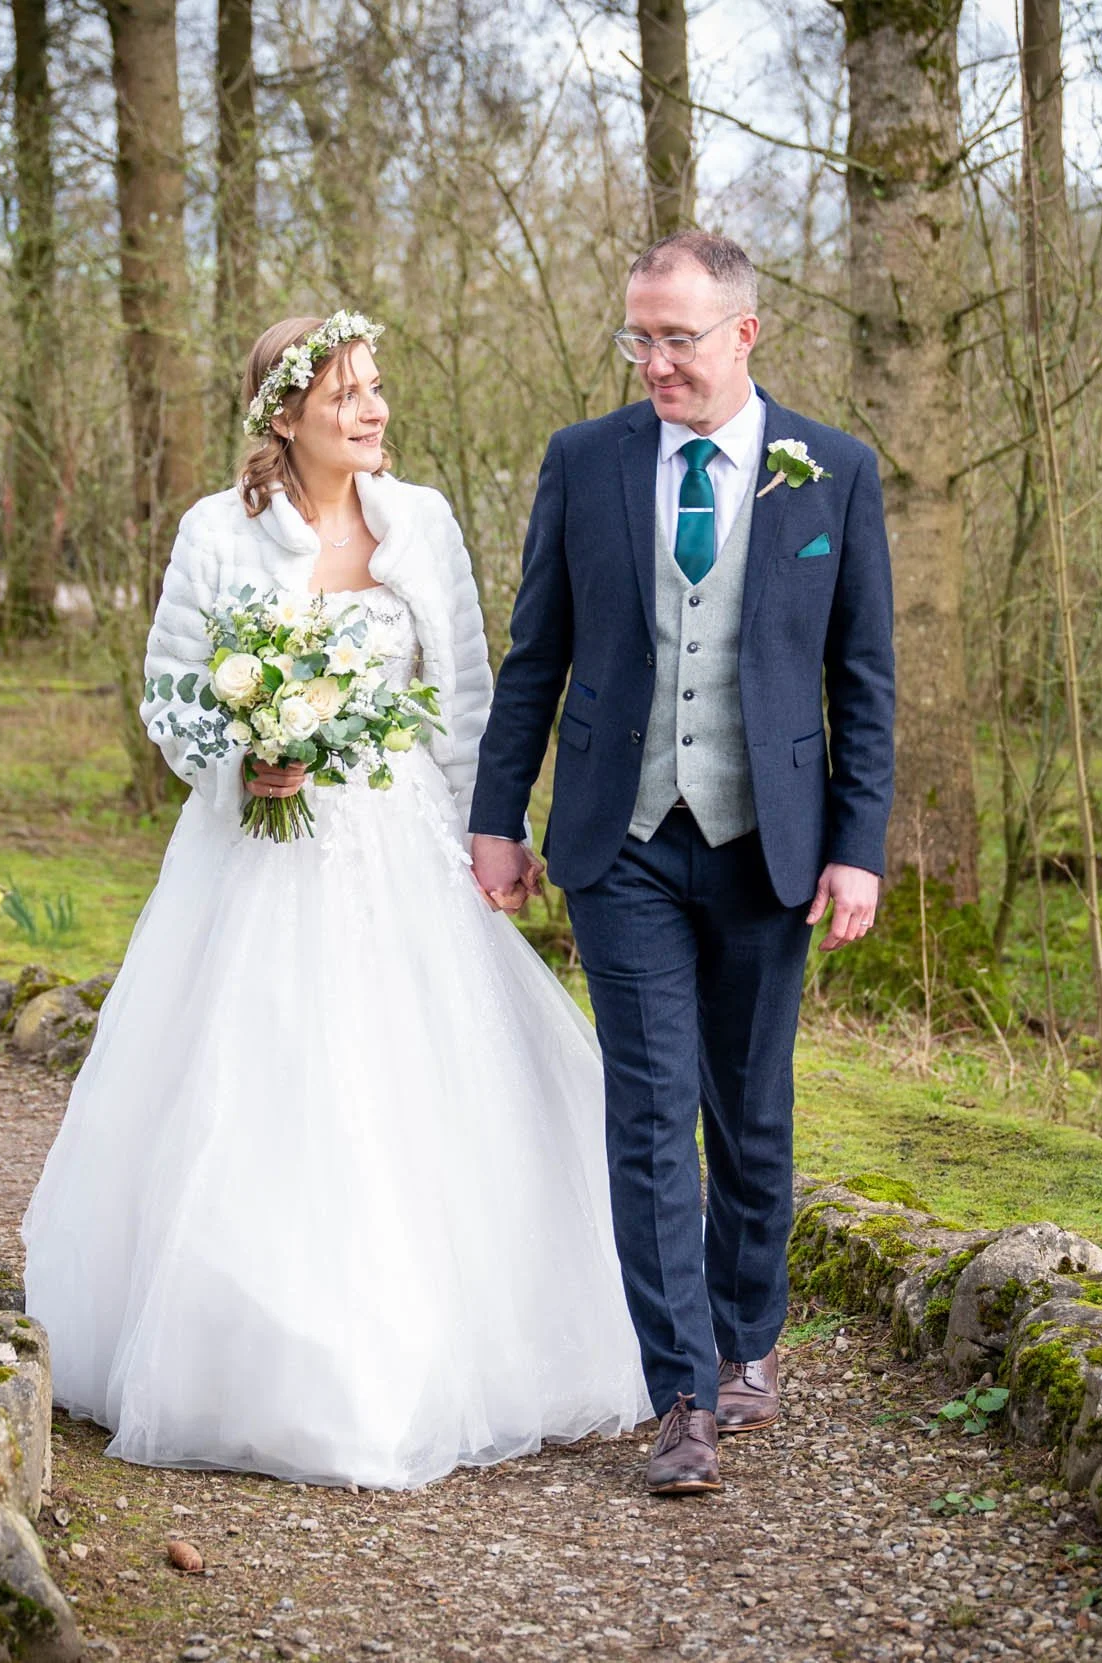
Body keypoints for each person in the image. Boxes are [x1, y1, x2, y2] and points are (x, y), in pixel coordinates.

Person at [20, 314, 650, 1490]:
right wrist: (241, 756)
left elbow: (465, 692)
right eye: (348, 394)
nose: (374, 411)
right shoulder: (219, 531)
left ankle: (443, 1345)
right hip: (255, 851)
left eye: (377, 390)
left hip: (398, 843)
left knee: (418, 1079)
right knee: (255, 1076)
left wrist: (488, 835)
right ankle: (255, 1357)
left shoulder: (425, 522)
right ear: (285, 414)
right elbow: (171, 697)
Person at [469, 230, 897, 1495]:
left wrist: (858, 846)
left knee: (749, 1112)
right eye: (637, 337)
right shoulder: (583, 461)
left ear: (743, 334)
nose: (653, 362)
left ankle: (750, 1334)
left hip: (771, 835)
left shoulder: (835, 472)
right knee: (648, 1109)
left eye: (677, 338)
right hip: (622, 836)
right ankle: (682, 1392)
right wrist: (500, 813)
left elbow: (862, 680)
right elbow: (533, 653)